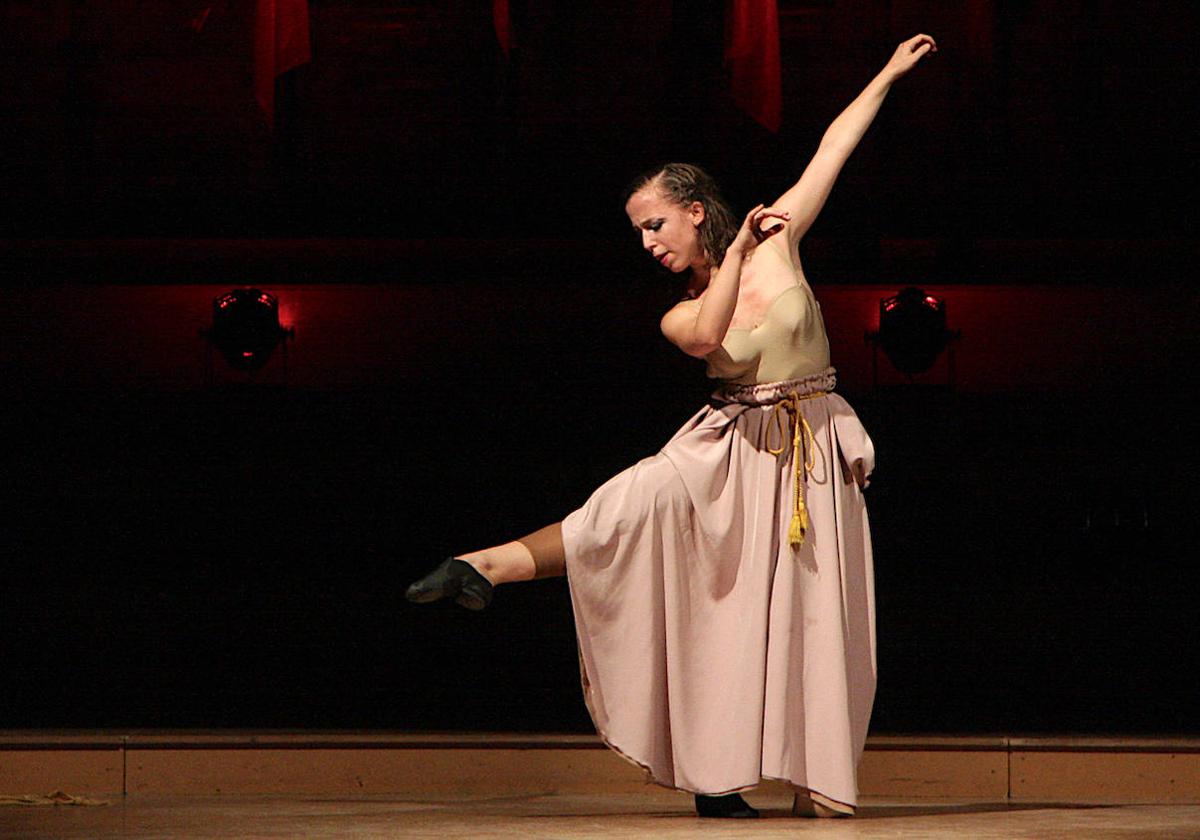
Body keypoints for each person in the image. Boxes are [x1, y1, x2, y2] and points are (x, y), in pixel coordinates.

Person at [406, 33, 938, 819]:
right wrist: (734, 257)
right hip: (729, 448)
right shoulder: (682, 311)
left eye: (656, 224)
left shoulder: (779, 239)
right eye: (639, 233)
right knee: (622, 515)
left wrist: (887, 73)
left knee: (813, 615)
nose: (648, 243)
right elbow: (708, 334)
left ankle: (811, 780)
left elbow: (834, 146)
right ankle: (482, 563)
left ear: (695, 211)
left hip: (809, 449)